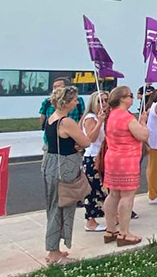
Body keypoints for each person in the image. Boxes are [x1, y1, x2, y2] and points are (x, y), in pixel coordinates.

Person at [41, 85, 92, 264]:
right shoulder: (67, 121)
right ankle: (53, 252)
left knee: (54, 206)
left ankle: (55, 248)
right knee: (61, 207)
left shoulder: (51, 118)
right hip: (65, 167)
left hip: (52, 164)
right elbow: (85, 141)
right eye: (74, 100)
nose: (77, 103)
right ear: (66, 102)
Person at [103, 86, 149, 246]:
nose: (132, 98)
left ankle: (110, 230)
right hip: (127, 159)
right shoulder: (126, 117)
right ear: (122, 99)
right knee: (127, 196)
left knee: (113, 194)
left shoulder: (111, 115)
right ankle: (124, 233)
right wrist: (143, 122)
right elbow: (143, 135)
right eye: (130, 95)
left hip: (112, 157)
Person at [81, 91, 109, 232]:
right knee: (93, 190)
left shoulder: (104, 117)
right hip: (92, 157)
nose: (103, 104)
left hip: (103, 156)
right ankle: (90, 221)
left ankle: (110, 214)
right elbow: (91, 138)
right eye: (100, 101)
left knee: (105, 188)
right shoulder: (90, 118)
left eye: (105, 100)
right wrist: (100, 122)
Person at [38, 77, 85, 144]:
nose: (55, 89)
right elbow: (43, 117)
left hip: (72, 138)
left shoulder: (78, 101)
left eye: (58, 87)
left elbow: (82, 116)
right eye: (54, 87)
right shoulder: (48, 101)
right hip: (51, 140)